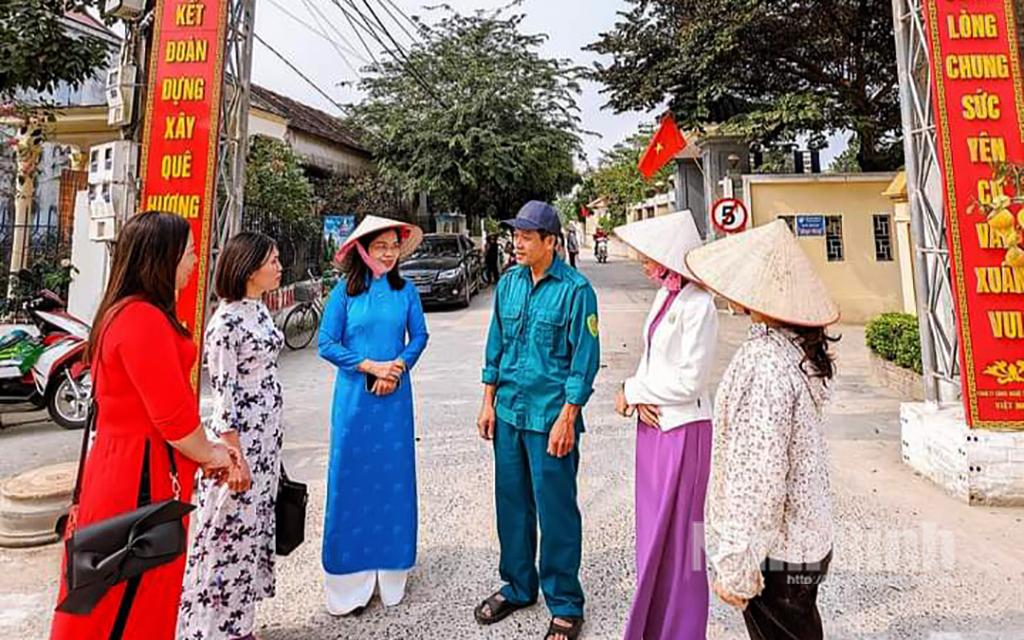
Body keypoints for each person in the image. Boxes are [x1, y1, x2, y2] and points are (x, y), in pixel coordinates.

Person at [49, 211, 237, 640]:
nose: (194, 262)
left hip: (122, 467)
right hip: (141, 476)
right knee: (134, 595)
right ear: (162, 259)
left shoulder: (122, 312)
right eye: (189, 253)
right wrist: (213, 454)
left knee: (108, 591)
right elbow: (173, 419)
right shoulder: (143, 320)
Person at [685, 220, 840, 640]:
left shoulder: (764, 364)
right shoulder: (793, 349)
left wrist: (736, 564)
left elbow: (759, 477)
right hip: (804, 543)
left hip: (779, 553)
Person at [475, 201, 600, 640]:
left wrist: (569, 417)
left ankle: (565, 602)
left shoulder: (576, 290)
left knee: (556, 510)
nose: (518, 242)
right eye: (516, 235)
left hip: (551, 419)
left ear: (551, 241)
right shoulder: (508, 284)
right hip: (508, 412)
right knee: (511, 504)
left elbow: (584, 362)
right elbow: (497, 346)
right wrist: (488, 400)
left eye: (528, 236)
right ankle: (518, 586)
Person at [612, 212, 718, 640]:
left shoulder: (700, 305)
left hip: (684, 429)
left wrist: (633, 390)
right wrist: (636, 395)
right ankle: (651, 625)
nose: (643, 263)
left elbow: (691, 379)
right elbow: (652, 359)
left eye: (649, 256)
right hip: (654, 426)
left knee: (684, 539)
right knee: (653, 533)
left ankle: (685, 628)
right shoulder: (664, 298)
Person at [318, 215, 429, 616]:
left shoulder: (407, 292)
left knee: (393, 480)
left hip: (395, 400)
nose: (388, 252)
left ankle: (392, 576)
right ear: (362, 249)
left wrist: (397, 367)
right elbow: (326, 343)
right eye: (380, 245)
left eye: (393, 245)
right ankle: (348, 586)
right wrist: (369, 366)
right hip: (353, 402)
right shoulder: (343, 293)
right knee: (351, 479)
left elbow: (419, 336)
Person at [178, 232, 284, 640]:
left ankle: (240, 623)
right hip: (241, 447)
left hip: (266, 441)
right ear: (248, 267)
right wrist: (234, 457)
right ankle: (212, 629)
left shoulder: (258, 310)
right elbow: (223, 397)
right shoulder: (224, 323)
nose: (278, 267)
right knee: (226, 536)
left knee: (252, 534)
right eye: (271, 260)